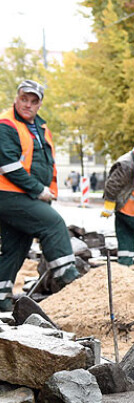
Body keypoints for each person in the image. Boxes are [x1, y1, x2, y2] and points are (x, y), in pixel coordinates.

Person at [0, 80, 80, 310]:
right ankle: (69, 278)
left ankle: (1, 299)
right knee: (53, 224)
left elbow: (44, 162)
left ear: (39, 104)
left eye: (33, 101)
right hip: (9, 194)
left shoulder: (40, 128)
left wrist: (47, 190)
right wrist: (38, 190)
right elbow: (8, 165)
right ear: (16, 98)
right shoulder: (6, 124)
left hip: (24, 195)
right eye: (24, 99)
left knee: (16, 247)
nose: (28, 104)